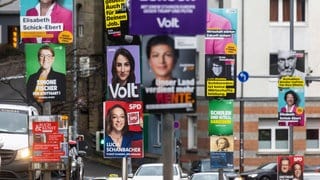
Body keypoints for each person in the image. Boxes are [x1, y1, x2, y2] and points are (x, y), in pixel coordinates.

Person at [143, 35, 179, 105]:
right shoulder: (144, 95)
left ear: (175, 59)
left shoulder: (186, 90)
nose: (161, 61)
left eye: (168, 55)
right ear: (149, 61)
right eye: (156, 55)